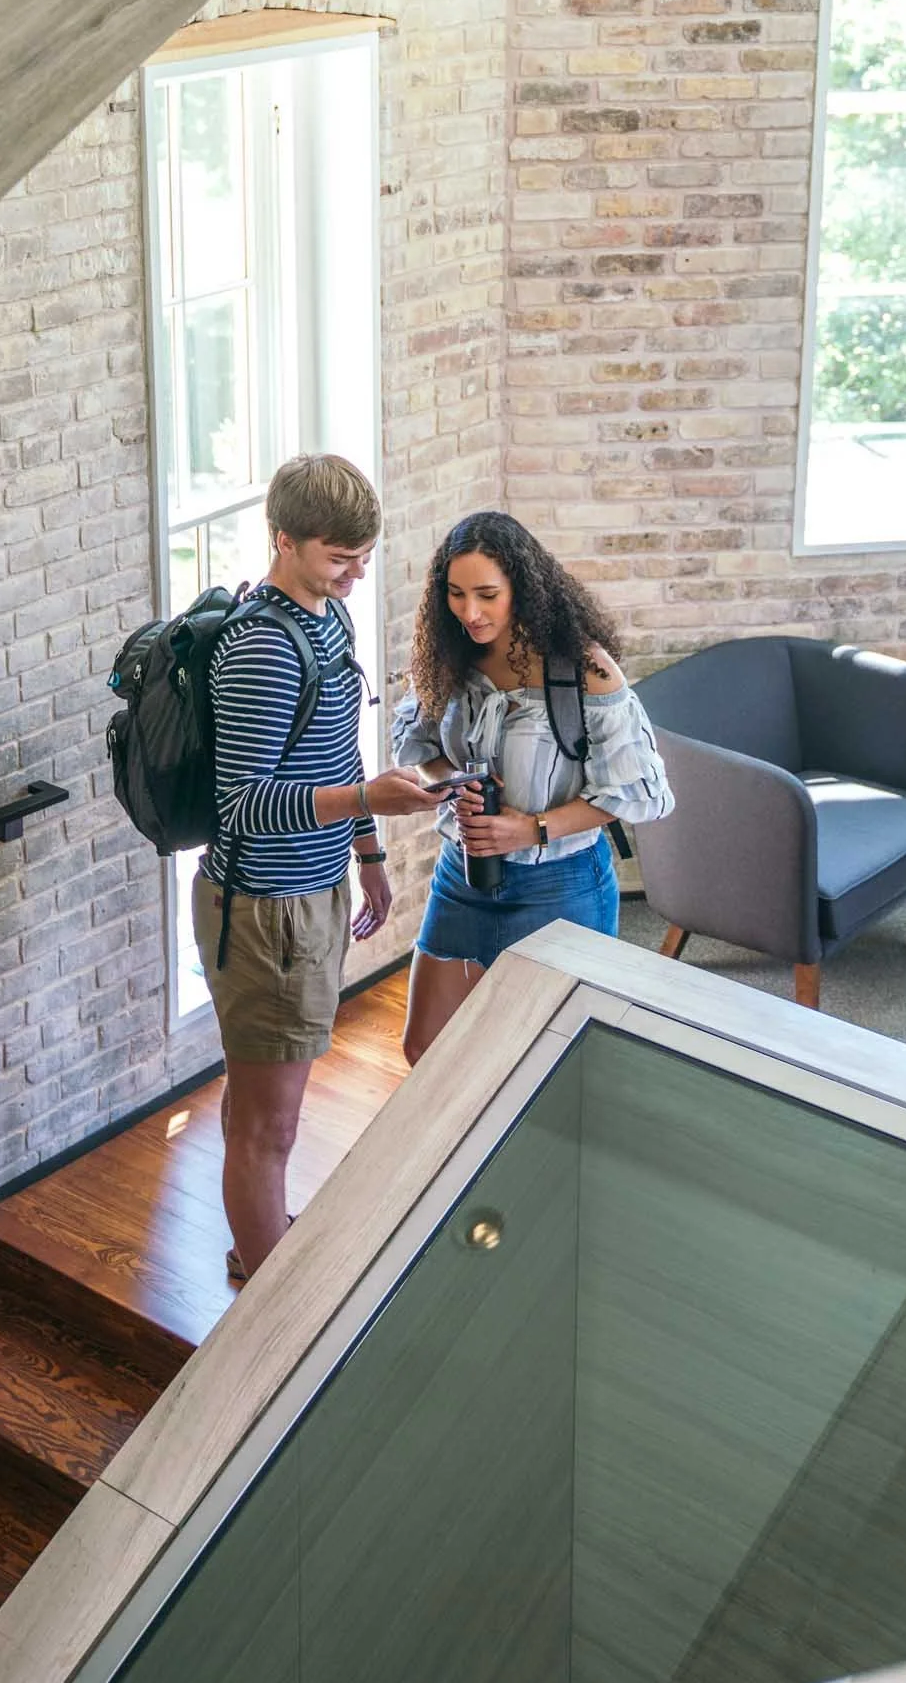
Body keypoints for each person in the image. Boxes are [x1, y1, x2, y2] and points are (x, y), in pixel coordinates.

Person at [196, 455, 445, 1285]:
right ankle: (269, 1291)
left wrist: (367, 851)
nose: (356, 572)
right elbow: (246, 805)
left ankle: (253, 1237)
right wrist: (364, 799)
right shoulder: (264, 647)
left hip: (310, 890)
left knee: (260, 1101)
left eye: (363, 554)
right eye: (339, 557)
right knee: (270, 1124)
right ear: (284, 541)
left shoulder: (324, 621)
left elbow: (334, 749)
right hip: (266, 911)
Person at [391, 509, 673, 1067]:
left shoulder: (584, 670)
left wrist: (531, 828)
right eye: (455, 594)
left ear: (522, 588)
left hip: (561, 885)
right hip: (462, 875)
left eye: (487, 595)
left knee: (553, 1064)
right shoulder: (446, 654)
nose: (470, 613)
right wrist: (453, 782)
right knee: (424, 1047)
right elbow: (420, 751)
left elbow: (641, 793)